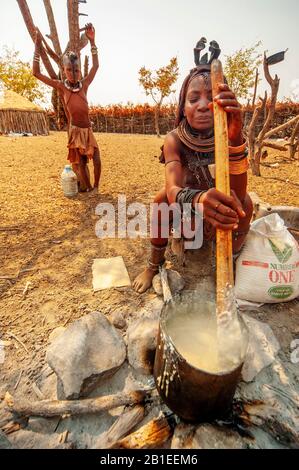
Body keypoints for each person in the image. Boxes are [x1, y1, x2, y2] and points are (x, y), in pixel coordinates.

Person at [133, 39, 253, 294]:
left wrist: (234, 137)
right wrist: (199, 200)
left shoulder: (228, 135)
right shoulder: (174, 139)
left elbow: (239, 194)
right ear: (182, 106)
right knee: (159, 201)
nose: (202, 105)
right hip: (186, 209)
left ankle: (229, 262)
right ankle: (154, 264)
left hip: (219, 209)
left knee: (248, 204)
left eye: (211, 98)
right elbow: (173, 189)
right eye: (193, 98)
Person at [33, 23, 101, 193]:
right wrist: (37, 46)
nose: (73, 73)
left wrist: (92, 42)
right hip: (76, 130)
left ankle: (96, 187)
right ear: (64, 70)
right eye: (69, 70)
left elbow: (95, 67)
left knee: (97, 159)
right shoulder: (61, 87)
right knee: (82, 163)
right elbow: (36, 73)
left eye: (76, 70)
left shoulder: (84, 84)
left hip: (88, 129)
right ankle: (86, 188)